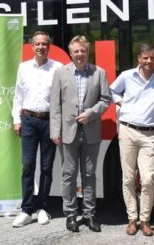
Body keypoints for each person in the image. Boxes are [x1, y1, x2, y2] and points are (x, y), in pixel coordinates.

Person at [109, 43, 154, 236]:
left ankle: (145, 220)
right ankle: (132, 219)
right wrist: (122, 104)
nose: (149, 61)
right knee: (128, 177)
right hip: (127, 130)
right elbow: (113, 91)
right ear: (139, 58)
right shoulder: (127, 76)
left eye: (153, 58)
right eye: (145, 58)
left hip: (149, 134)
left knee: (147, 179)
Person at [49, 35, 111, 233]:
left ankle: (89, 214)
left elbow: (105, 99)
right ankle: (70, 214)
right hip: (67, 132)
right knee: (69, 174)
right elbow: (55, 105)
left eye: (83, 51)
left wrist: (91, 114)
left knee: (89, 174)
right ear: (71, 52)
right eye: (76, 51)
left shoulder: (99, 72)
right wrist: (55, 131)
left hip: (91, 131)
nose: (79, 54)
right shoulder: (61, 73)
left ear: (88, 52)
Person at [11, 31, 63, 228]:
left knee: (46, 167)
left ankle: (42, 207)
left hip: (49, 121)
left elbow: (61, 98)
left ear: (49, 46)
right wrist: (17, 120)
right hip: (29, 120)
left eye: (45, 44)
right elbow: (18, 95)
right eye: (38, 44)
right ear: (32, 46)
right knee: (28, 166)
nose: (41, 47)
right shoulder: (23, 67)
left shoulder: (57, 68)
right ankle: (26, 209)